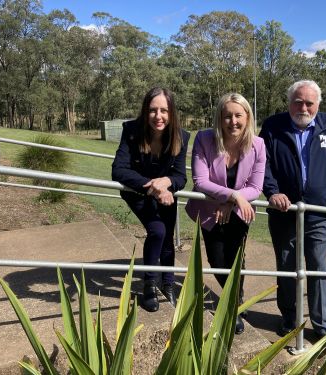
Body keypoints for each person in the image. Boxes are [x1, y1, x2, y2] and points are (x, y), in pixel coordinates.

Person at [259, 80, 326, 349]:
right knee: (286, 268)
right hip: (284, 213)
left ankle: (322, 327)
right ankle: (290, 320)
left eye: (309, 102)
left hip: (319, 213)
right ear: (289, 102)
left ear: (318, 104)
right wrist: (272, 192)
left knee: (318, 267)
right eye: (298, 101)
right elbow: (263, 165)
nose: (303, 107)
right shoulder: (273, 126)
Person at [185, 93, 266, 334]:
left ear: (247, 117)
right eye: (227, 116)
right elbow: (200, 181)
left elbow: (256, 187)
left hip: (240, 214)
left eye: (238, 115)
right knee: (217, 261)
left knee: (236, 260)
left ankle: (233, 307)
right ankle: (237, 296)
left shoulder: (258, 145)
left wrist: (233, 202)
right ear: (219, 118)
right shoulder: (204, 139)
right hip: (211, 213)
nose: (233, 121)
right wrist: (233, 196)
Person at [112, 87, 190, 312]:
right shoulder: (132, 131)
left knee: (166, 240)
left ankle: (168, 284)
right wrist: (153, 187)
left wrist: (166, 181)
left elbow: (180, 177)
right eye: (153, 110)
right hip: (138, 193)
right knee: (157, 231)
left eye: (164, 110)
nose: (159, 116)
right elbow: (119, 170)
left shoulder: (181, 137)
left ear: (172, 112)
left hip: (166, 194)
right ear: (145, 111)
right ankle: (149, 285)